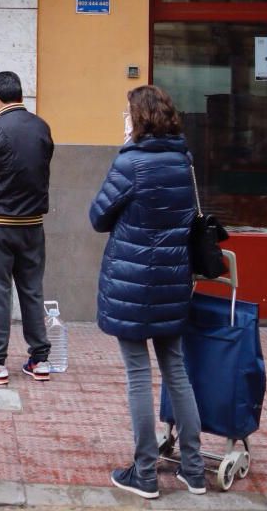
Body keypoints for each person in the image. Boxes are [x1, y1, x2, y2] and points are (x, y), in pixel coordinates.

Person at [89, 85, 205, 499]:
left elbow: (98, 217)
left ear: (137, 120)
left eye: (127, 114)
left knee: (138, 375)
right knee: (176, 371)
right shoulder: (183, 161)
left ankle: (144, 473)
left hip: (132, 283)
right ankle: (194, 469)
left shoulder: (131, 163)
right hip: (173, 280)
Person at [0, 71, 53, 385]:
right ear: (20, 94)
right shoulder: (41, 127)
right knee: (32, 290)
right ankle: (39, 358)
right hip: (33, 223)